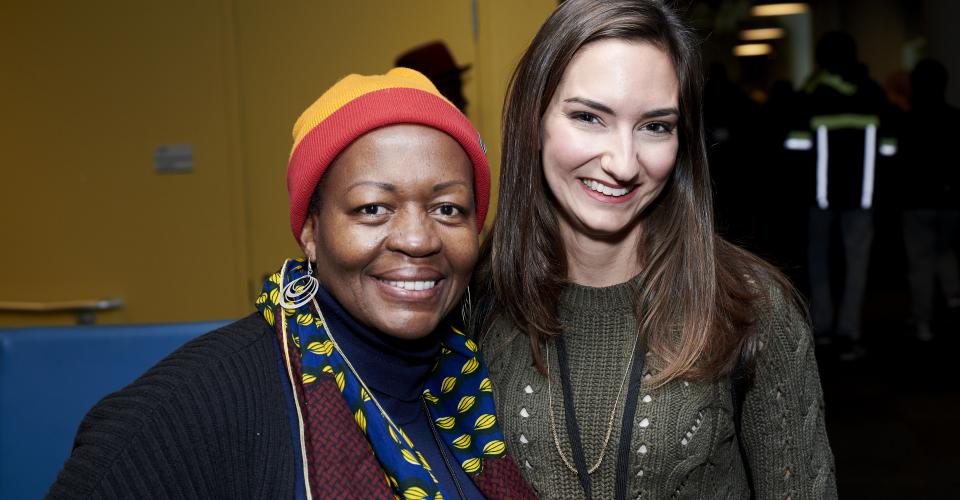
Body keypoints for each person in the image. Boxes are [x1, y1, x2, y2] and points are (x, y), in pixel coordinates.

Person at [48, 68, 534, 499]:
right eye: (372, 208)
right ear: (311, 231)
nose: (417, 239)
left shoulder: (487, 384)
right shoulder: (194, 406)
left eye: (448, 209)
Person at [472, 1, 837, 498]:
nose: (624, 164)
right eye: (589, 117)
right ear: (532, 120)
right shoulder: (474, 299)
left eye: (655, 126)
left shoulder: (750, 307)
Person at [787, 31, 894, 359]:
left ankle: (823, 327)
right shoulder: (874, 92)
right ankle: (850, 330)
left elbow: (795, 147)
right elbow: (889, 148)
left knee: (819, 260)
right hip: (862, 194)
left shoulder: (813, 93)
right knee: (856, 262)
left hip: (820, 195)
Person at [899, 58, 960, 340]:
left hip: (917, 202)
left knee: (921, 262)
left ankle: (924, 322)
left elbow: (900, 164)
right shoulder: (954, 118)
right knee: (946, 254)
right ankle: (953, 302)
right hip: (949, 202)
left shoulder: (908, 121)